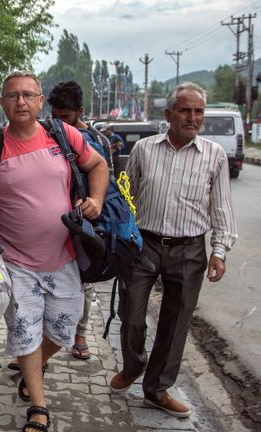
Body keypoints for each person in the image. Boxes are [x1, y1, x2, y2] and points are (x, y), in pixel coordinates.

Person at [0, 71, 109, 432]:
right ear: (3, 103)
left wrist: (96, 200)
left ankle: (34, 365)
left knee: (63, 330)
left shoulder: (63, 134)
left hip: (64, 257)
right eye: (13, 95)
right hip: (15, 263)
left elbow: (98, 165)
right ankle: (38, 406)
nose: (21, 102)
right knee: (25, 332)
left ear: (41, 101)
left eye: (28, 95)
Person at [110, 82, 237, 418]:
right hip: (145, 244)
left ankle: (156, 389)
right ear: (168, 114)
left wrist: (219, 251)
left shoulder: (215, 155)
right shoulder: (145, 150)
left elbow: (221, 208)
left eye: (198, 112)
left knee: (176, 323)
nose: (192, 117)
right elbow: (127, 196)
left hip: (190, 249)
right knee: (132, 316)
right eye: (185, 110)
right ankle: (134, 364)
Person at [48, 80, 113, 362]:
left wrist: (94, 203)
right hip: (54, 221)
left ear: (80, 112)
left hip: (86, 221)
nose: (60, 123)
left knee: (83, 282)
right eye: (55, 116)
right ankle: (40, 350)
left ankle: (80, 335)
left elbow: (108, 181)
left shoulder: (99, 142)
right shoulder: (47, 135)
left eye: (66, 117)